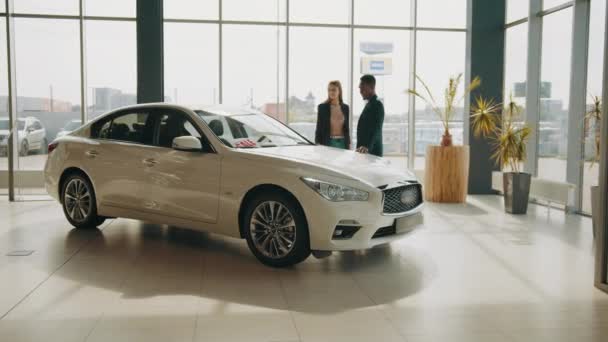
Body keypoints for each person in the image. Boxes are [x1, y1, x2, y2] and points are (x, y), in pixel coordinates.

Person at [315, 80, 351, 149]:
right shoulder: (322, 107)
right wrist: (317, 143)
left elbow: (347, 129)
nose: (331, 92)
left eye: (334, 90)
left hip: (343, 143)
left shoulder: (345, 108)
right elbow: (318, 128)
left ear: (339, 91)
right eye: (329, 90)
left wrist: (348, 143)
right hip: (328, 142)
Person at [356, 74, 384, 157]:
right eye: (360, 88)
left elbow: (376, 128)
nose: (360, 91)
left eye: (362, 88)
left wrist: (367, 146)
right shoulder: (369, 104)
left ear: (371, 87)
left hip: (372, 152)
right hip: (364, 151)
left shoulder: (377, 105)